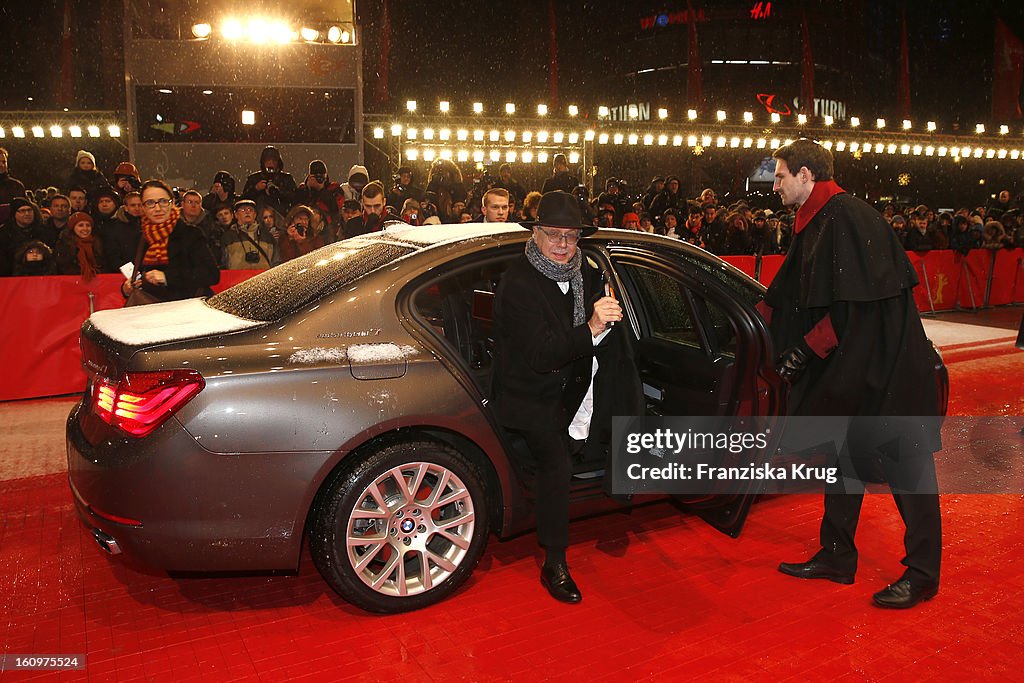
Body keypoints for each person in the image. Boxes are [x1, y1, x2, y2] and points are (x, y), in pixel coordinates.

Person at [765, 139, 942, 610]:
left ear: (806, 175)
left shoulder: (848, 218)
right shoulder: (820, 220)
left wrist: (802, 350)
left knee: (909, 470)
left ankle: (924, 574)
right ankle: (838, 555)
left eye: (780, 176)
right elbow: (790, 292)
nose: (775, 185)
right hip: (854, 369)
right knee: (841, 461)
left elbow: (853, 312)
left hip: (888, 372)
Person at [491, 190, 641, 604]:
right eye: (554, 234)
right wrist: (592, 326)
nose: (562, 245)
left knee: (621, 401)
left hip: (571, 386)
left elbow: (597, 333)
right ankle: (554, 561)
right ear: (535, 233)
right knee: (556, 465)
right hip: (529, 395)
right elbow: (541, 356)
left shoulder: (585, 274)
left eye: (571, 236)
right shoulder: (517, 282)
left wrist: (608, 320)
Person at [121, 180, 219, 304]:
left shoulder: (190, 234)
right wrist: (126, 287)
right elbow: (136, 273)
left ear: (172, 203)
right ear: (144, 207)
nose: (157, 208)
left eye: (163, 201)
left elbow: (211, 274)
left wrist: (167, 277)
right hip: (154, 313)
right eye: (150, 203)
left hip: (189, 311)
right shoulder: (141, 238)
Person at [295, 160, 345, 242]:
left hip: (328, 227)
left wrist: (321, 190)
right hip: (305, 225)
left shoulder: (334, 189)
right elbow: (297, 206)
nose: (319, 179)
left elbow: (336, 208)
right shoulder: (303, 189)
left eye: (321, 176)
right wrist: (308, 189)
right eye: (316, 177)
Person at [241, 145, 297, 217]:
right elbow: (244, 200)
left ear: (278, 162)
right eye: (267, 160)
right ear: (263, 162)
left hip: (282, 216)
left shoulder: (286, 179)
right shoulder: (254, 179)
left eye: (274, 160)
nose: (270, 163)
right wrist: (256, 189)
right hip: (259, 217)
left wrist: (278, 192)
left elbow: (295, 197)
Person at [222, 199, 276, 270]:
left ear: (255, 215)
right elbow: (224, 262)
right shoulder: (228, 237)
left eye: (250, 210)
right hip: (238, 278)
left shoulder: (267, 236)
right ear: (236, 215)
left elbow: (275, 261)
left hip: (263, 278)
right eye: (243, 210)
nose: (247, 212)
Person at [54, 211, 105, 280]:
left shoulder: (97, 243)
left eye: (88, 225)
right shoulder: (64, 245)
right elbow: (63, 267)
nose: (85, 228)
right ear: (73, 227)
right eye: (81, 225)